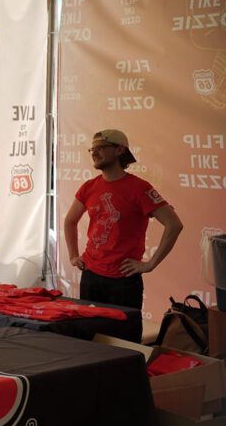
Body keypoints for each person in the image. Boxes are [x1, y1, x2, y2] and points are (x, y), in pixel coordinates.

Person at [63, 129, 183, 312]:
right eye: (92, 149)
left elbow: (174, 224)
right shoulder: (89, 187)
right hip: (91, 275)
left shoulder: (139, 188)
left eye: (101, 147)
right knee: (89, 337)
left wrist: (151, 264)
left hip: (123, 280)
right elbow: (70, 221)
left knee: (122, 338)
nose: (94, 152)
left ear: (120, 150)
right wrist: (73, 256)